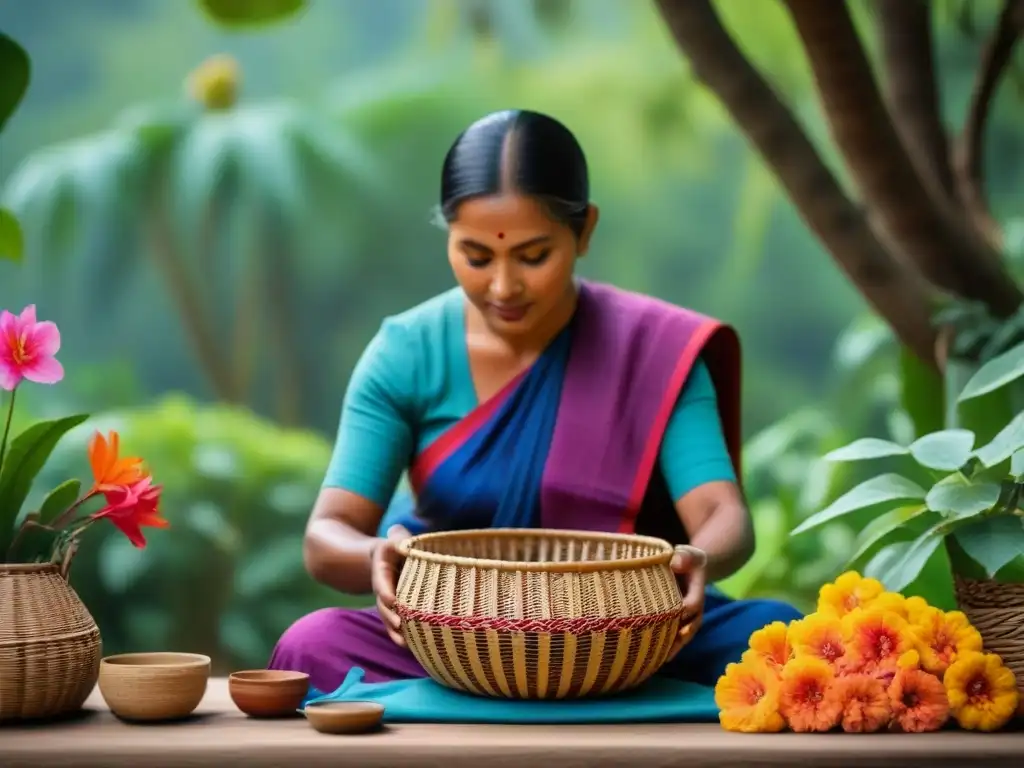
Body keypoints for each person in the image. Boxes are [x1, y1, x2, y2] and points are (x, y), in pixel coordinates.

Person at [267, 109, 801, 695]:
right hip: (453, 639)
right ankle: (592, 710)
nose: (502, 287)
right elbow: (328, 535)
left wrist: (698, 557)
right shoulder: (405, 353)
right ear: (447, 237)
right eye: (476, 256)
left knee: (786, 639)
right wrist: (376, 557)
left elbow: (722, 515)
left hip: (630, 633)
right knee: (311, 645)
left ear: (585, 231)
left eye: (532, 256)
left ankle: (466, 714)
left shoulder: (656, 351)